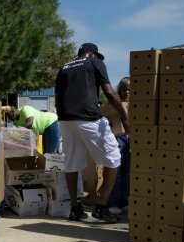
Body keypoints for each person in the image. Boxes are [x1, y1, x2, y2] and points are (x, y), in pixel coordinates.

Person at [55, 43, 129, 222]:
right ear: (92, 53)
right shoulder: (94, 63)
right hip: (88, 118)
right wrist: (124, 116)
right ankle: (102, 207)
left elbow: (58, 98)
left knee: (72, 163)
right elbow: (109, 91)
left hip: (66, 120)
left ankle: (75, 209)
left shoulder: (64, 68)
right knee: (114, 158)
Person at [102, 77, 130, 214]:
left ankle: (124, 202)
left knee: (127, 173)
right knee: (116, 173)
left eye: (130, 89)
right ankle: (112, 203)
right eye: (125, 89)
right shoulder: (114, 104)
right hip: (118, 139)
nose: (127, 92)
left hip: (131, 141)